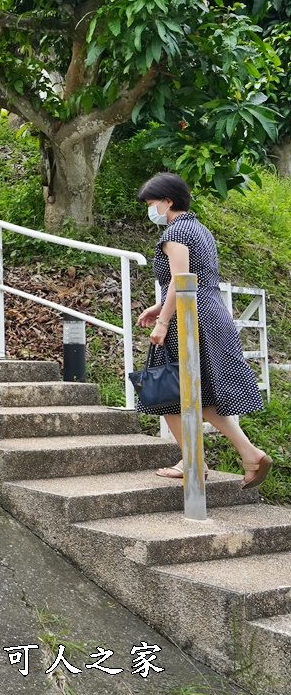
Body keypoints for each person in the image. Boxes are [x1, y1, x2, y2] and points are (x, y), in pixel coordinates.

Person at [136, 172, 273, 489]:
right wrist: (160, 307)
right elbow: (194, 278)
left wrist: (163, 320)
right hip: (211, 312)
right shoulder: (198, 229)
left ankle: (193, 459)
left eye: (152, 203)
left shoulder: (174, 234)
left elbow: (180, 281)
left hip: (190, 317)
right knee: (201, 390)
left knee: (164, 392)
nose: (150, 208)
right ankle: (249, 453)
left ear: (168, 201)